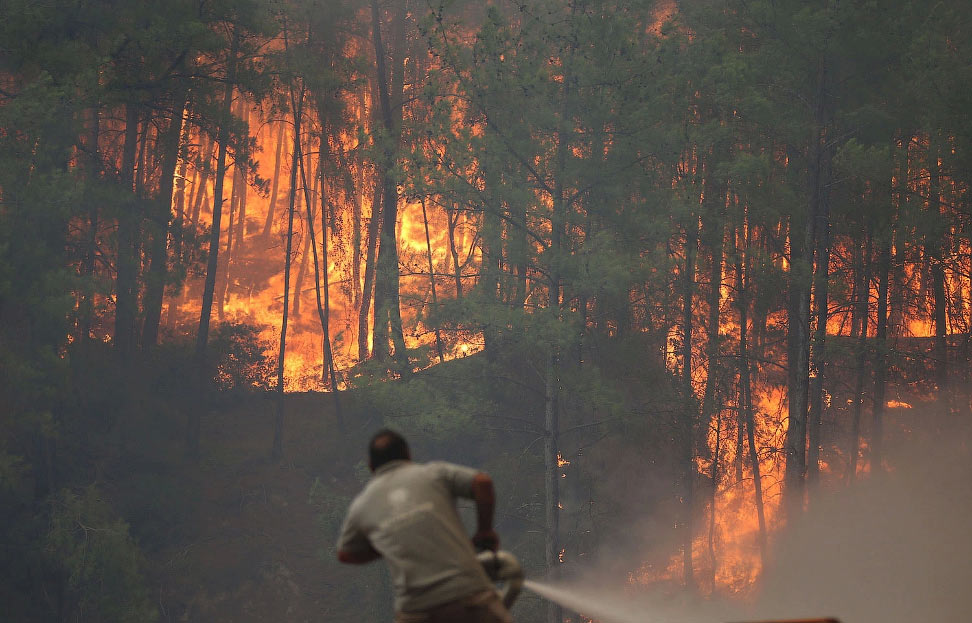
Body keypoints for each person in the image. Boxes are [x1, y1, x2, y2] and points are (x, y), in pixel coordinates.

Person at [337, 429, 512, 623]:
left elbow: (346, 553)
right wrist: (484, 531)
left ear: (371, 466)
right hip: (469, 595)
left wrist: (388, 542)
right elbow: (482, 482)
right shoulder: (434, 473)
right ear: (408, 454)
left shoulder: (363, 504)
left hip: (416, 611)